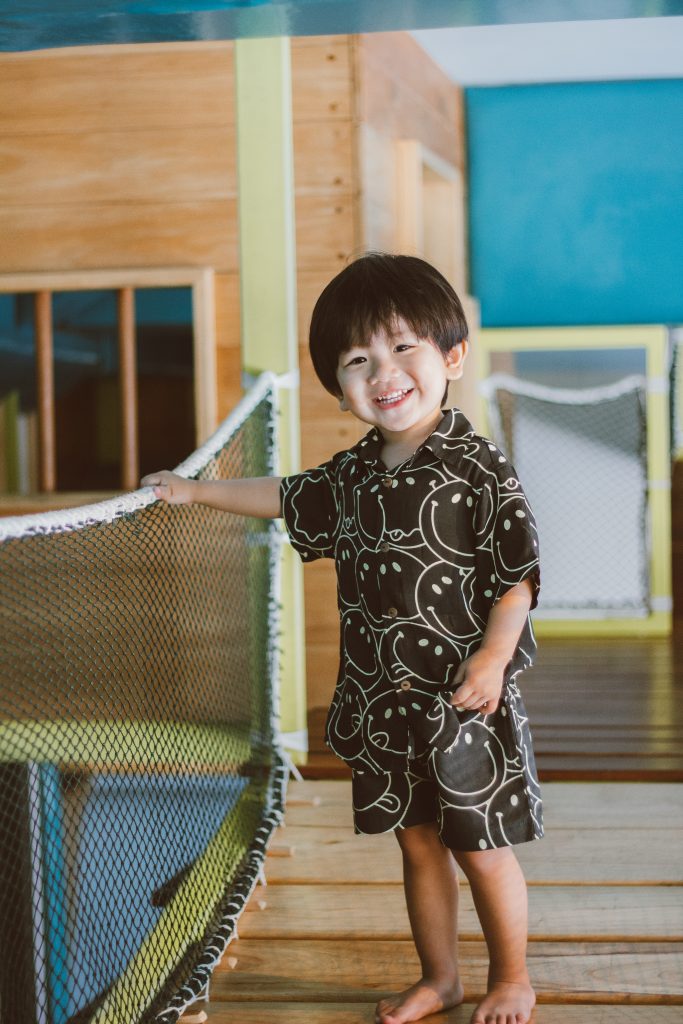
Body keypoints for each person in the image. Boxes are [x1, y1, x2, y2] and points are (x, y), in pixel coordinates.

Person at [142, 253, 543, 1024]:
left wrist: (493, 657)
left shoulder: (477, 465)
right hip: (384, 703)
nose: (382, 372)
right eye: (357, 360)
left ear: (450, 356)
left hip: (463, 699)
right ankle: (440, 978)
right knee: (418, 845)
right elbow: (286, 498)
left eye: (402, 348)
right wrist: (194, 491)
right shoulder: (355, 473)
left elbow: (514, 578)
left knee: (480, 845)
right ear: (338, 384)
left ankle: (510, 976)